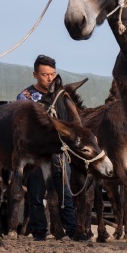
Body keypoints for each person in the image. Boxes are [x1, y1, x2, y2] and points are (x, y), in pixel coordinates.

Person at [16, 54, 77, 240]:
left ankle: (73, 230)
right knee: (36, 194)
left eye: (53, 74)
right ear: (35, 74)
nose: (50, 78)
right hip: (37, 154)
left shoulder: (61, 96)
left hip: (59, 153)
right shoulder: (25, 97)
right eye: (45, 75)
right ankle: (39, 232)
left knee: (65, 192)